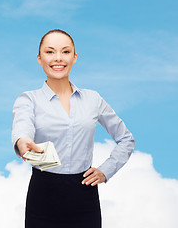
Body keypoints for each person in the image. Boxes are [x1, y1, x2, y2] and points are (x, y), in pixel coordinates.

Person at [11, 29, 135, 228]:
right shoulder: (28, 99)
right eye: (50, 52)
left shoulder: (93, 99)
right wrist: (22, 141)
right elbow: (22, 126)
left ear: (75, 57)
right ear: (39, 58)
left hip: (84, 196)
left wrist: (105, 171)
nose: (58, 58)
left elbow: (126, 139)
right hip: (43, 195)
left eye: (66, 52)